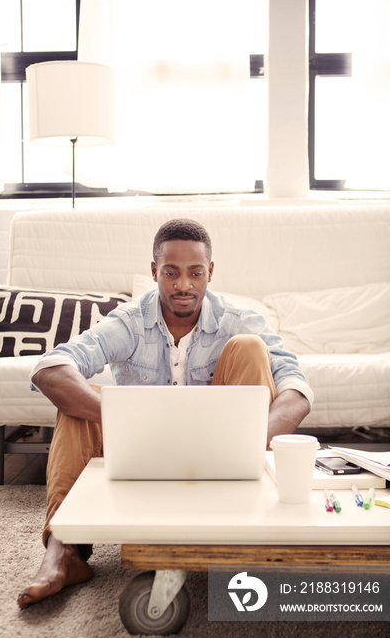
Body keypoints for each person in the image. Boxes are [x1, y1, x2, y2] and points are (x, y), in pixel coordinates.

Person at [17, 218, 313, 609]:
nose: (183, 285)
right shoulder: (130, 321)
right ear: (155, 272)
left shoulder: (237, 319)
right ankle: (63, 552)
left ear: (210, 272)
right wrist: (126, 416)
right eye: (171, 273)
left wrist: (254, 435)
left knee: (250, 347)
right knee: (74, 402)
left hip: (219, 456)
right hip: (139, 450)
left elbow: (297, 388)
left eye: (194, 273)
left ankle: (240, 523)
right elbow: (50, 368)